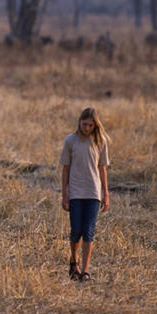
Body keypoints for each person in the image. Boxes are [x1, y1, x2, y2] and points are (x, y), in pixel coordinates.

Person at [60, 107, 110, 282]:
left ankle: (85, 270)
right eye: (84, 124)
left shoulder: (101, 142)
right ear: (79, 122)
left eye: (90, 125)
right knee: (76, 231)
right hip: (75, 192)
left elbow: (102, 169)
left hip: (93, 192)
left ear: (95, 125)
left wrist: (106, 194)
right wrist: (64, 194)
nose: (87, 128)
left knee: (89, 231)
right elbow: (65, 169)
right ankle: (73, 262)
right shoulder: (70, 141)